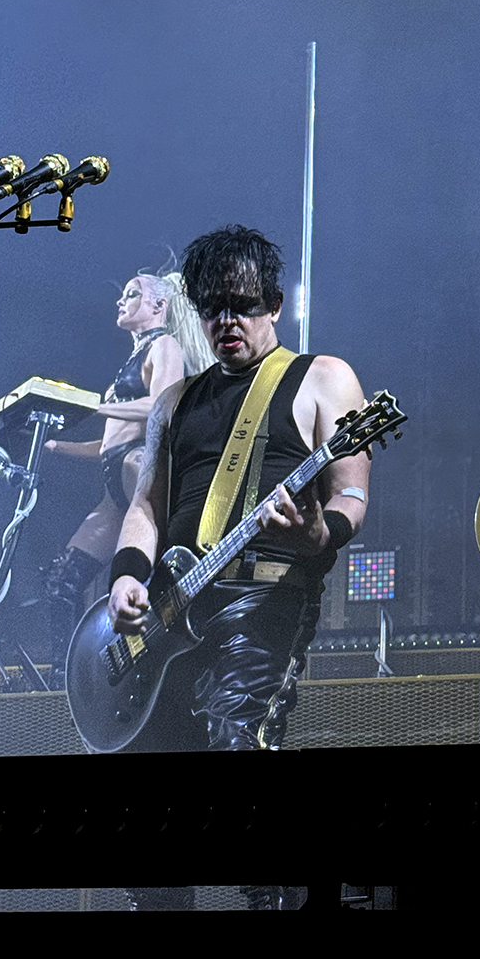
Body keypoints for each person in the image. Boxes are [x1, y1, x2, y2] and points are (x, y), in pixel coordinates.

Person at [107, 224, 369, 753]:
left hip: (263, 599)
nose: (226, 320)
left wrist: (319, 533)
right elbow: (146, 506)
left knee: (236, 741)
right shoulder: (174, 401)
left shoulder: (323, 377)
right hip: (170, 610)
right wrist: (125, 576)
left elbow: (352, 495)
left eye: (243, 305)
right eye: (212, 308)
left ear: (275, 305)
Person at [38, 272, 214, 675]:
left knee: (148, 571)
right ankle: (67, 681)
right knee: (62, 581)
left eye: (132, 294)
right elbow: (106, 443)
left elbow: (161, 404)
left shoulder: (164, 345)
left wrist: (92, 406)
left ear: (159, 306)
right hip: (113, 485)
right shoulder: (132, 362)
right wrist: (57, 446)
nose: (121, 301)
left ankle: (156, 664)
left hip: (138, 465)